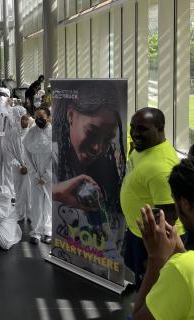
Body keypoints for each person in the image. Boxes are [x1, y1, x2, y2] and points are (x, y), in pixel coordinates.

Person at [51, 81, 127, 283]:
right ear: (70, 115)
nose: (97, 148)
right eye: (91, 133)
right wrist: (57, 192)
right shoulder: (53, 160)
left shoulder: (113, 171)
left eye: (107, 140)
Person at [121, 107, 183, 289]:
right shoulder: (144, 147)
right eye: (133, 127)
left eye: (142, 129)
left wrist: (155, 257)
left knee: (151, 288)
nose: (134, 133)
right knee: (137, 274)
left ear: (160, 128)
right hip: (138, 232)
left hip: (152, 241)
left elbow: (169, 217)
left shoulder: (161, 168)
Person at [132, 158, 194, 320]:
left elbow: (139, 317)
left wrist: (156, 259)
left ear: (185, 204)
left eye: (175, 201)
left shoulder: (182, 270)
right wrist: (181, 252)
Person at [24, 107, 53, 244]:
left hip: (49, 175)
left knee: (48, 203)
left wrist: (47, 175)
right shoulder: (31, 132)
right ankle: (36, 231)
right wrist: (34, 173)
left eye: (41, 116)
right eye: (36, 117)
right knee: (36, 203)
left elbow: (57, 157)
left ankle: (48, 231)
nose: (38, 120)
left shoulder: (55, 133)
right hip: (34, 174)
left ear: (48, 117)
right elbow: (26, 155)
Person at [4, 106, 32, 221]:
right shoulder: (11, 134)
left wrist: (28, 165)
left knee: (30, 191)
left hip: (31, 168)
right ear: (16, 119)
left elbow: (35, 151)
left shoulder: (32, 132)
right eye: (22, 118)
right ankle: (20, 213)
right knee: (19, 190)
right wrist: (19, 166)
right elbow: (9, 152)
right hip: (18, 169)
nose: (25, 121)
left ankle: (31, 214)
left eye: (26, 118)